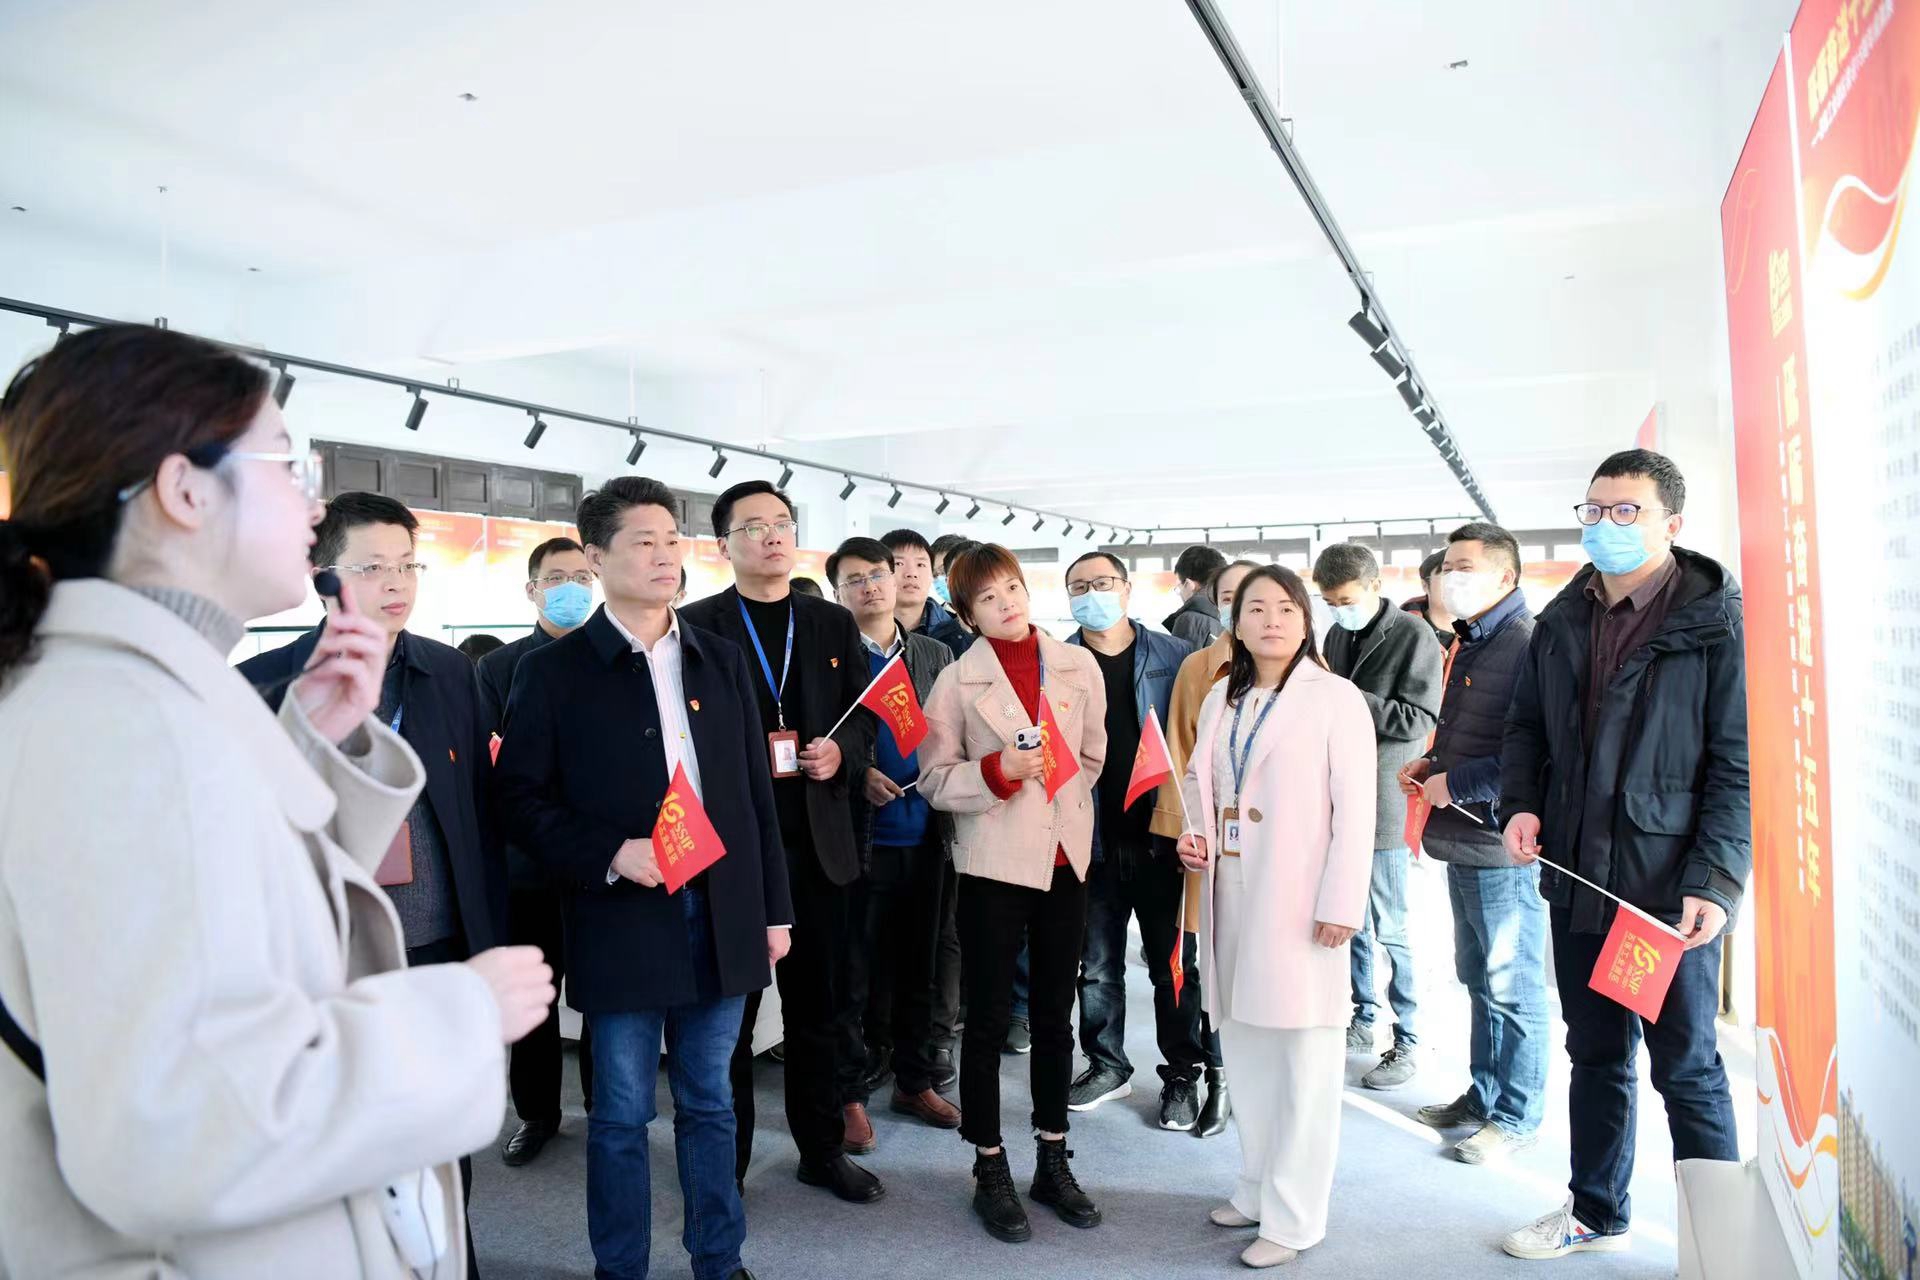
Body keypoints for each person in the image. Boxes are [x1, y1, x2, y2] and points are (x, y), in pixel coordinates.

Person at [0, 324, 552, 1280]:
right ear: (185, 491)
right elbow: (184, 1124)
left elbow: (228, 921)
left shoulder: (132, 696)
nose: (314, 502)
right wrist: (459, 1012)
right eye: (289, 465)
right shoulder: (129, 727)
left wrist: (311, 751)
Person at [493, 476, 785, 1280]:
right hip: (620, 915)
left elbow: (753, 796)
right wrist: (609, 852)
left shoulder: (720, 659)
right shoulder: (553, 672)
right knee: (621, 1114)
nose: (664, 556)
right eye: (643, 542)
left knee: (710, 1102)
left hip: (721, 910)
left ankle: (718, 1259)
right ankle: (620, 1267)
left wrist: (775, 910)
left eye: (671, 541)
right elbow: (518, 799)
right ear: (596, 556)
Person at [1499, 449, 1750, 1260]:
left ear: (1672, 524)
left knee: (1688, 1069)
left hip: (1665, 888)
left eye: (1626, 510)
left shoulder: (1715, 622)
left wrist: (1716, 877)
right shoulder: (1562, 619)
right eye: (1595, 509)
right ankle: (1595, 1210)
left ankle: (1720, 1248)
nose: (1605, 524)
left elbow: (1739, 763)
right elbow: (1524, 729)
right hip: (1578, 875)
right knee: (1597, 1053)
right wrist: (1522, 804)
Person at [679, 481, 882, 1202]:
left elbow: (864, 715)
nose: (773, 535)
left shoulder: (829, 622)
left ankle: (820, 1151)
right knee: (727, 1023)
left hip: (820, 847)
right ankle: (725, 1165)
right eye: (754, 525)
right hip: (733, 856)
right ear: (723, 544)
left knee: (818, 1012)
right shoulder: (694, 627)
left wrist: (842, 753)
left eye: (783, 523)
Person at [1174, 564, 1374, 1268]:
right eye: (1255, 608)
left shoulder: (1335, 697)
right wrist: (1194, 833)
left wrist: (1341, 902)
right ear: (1235, 622)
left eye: (1286, 608)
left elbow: (1357, 811)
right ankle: (1257, 1188)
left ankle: (1295, 1218)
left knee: (1302, 1065)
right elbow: (1199, 780)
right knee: (1248, 1050)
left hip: (1301, 902)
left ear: (1306, 619)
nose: (1271, 620)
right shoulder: (1225, 695)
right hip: (1232, 892)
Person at [920, 543, 1107, 1244]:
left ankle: (1053, 1156)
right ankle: (989, 1163)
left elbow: (1092, 756)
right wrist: (998, 771)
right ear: (967, 613)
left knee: (1056, 1015)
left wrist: (1056, 801)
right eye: (989, 597)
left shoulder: (1077, 664)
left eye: (1013, 589)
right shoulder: (955, 680)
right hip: (992, 861)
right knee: (990, 1019)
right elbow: (935, 780)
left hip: (1063, 857)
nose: (1008, 604)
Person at [240, 494, 507, 970]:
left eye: (407, 566)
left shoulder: (450, 671)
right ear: (322, 580)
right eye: (372, 568)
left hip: (445, 944)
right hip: (330, 949)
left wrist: (491, 937)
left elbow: (480, 812)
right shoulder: (263, 684)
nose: (396, 583)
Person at [1397, 523, 1549, 1165]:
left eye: (1464, 567)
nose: (1448, 577)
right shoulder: (1475, 639)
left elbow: (1534, 752)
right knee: (1478, 978)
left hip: (1499, 842)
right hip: (1463, 837)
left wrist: (1455, 782)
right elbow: (1470, 732)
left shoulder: (1525, 642)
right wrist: (1433, 766)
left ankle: (1516, 1116)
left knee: (1513, 986)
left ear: (1506, 577)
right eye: (1445, 567)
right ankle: (1484, 1095)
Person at [1057, 552, 1215, 1131]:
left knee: (1174, 967)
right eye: (1079, 586)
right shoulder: (1060, 663)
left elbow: (1198, 741)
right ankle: (1107, 1065)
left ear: (1127, 589)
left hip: (1162, 838)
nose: (1091, 594)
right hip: (1092, 837)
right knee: (1096, 966)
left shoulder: (1175, 657)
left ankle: (1182, 1074)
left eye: (1102, 582)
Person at [827, 537, 962, 1133]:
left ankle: (914, 1082)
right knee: (852, 977)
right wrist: (859, 774)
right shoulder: (828, 656)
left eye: (877, 574)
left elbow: (953, 731)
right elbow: (818, 737)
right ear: (837, 593)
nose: (871, 586)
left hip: (926, 836)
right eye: (854, 579)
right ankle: (848, 1093)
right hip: (858, 841)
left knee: (918, 972)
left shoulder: (932, 653)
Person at [478, 536, 598, 1167]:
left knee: (605, 996)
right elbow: (493, 770)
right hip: (527, 866)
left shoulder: (614, 657)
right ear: (532, 590)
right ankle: (536, 1113)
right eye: (557, 578)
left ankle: (608, 1109)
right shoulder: (498, 669)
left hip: (603, 862)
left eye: (581, 575)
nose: (571, 587)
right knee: (532, 1001)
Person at [1312, 542, 1442, 1089]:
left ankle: (1407, 1037)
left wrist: (1345, 695)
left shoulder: (1415, 636)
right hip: (1339, 796)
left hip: (1385, 799)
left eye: (1345, 600)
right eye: (1329, 602)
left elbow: (1418, 720)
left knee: (1391, 927)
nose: (1338, 610)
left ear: (1374, 586)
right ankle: (1363, 1018)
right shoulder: (1337, 635)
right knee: (1352, 919)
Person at [1157, 558, 1255, 1139]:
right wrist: (1185, 831)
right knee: (1206, 961)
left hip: (1278, 845)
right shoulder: (1198, 667)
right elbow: (1179, 753)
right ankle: (1216, 1076)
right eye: (1230, 595)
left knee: (1265, 959)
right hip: (1212, 842)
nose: (1243, 606)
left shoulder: (1309, 673)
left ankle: (1255, 1077)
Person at [926, 532, 979, 1078]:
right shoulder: (940, 647)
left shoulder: (941, 647)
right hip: (903, 813)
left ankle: (944, 1032)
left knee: (951, 931)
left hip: (976, 817)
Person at [885, 527, 972, 657]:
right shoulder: (859, 633)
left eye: (920, 565)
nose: (912, 573)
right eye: (899, 563)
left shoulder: (963, 636)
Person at [1164, 544, 1228, 646]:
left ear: (1189, 584)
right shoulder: (1229, 619)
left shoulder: (1189, 619)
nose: (1180, 594)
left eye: (1179, 588)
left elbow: (1183, 657)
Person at [1403, 550, 1457, 649]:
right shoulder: (1402, 631)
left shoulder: (1481, 633)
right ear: (1425, 585)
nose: (1455, 585)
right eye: (1447, 576)